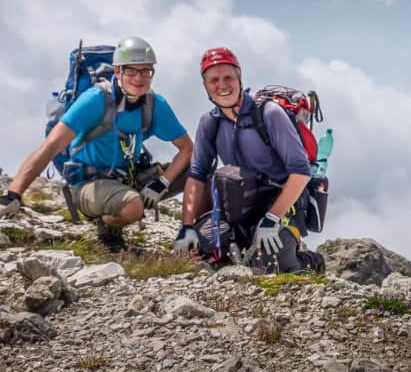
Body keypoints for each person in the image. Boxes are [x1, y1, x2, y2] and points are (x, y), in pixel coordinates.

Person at [0, 37, 193, 251]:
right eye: (131, 71)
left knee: (198, 167)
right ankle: (108, 225)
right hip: (88, 183)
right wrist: (13, 194)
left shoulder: (155, 105)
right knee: (133, 206)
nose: (139, 78)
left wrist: (162, 183)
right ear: (117, 71)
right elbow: (50, 147)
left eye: (145, 71)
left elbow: (187, 149)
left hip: (127, 175)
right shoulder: (95, 100)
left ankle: (200, 236)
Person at [175, 47, 324, 273]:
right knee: (197, 255)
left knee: (270, 268)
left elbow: (301, 172)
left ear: (239, 78)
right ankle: (239, 246)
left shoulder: (269, 114)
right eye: (214, 80)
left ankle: (309, 261)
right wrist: (186, 227)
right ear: (205, 86)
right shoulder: (210, 122)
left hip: (278, 209)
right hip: (236, 207)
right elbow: (196, 176)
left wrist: (272, 218)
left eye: (228, 78)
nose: (222, 85)